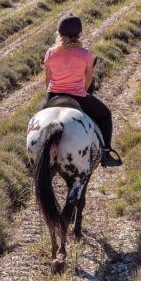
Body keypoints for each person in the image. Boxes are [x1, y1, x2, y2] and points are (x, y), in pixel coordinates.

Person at [42, 13, 123, 167]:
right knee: (105, 115)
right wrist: (83, 91)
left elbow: (48, 79)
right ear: (79, 34)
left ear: (59, 33)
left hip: (53, 95)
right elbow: (88, 79)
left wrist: (51, 94)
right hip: (77, 96)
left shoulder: (50, 53)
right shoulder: (85, 54)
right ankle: (106, 153)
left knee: (37, 121)